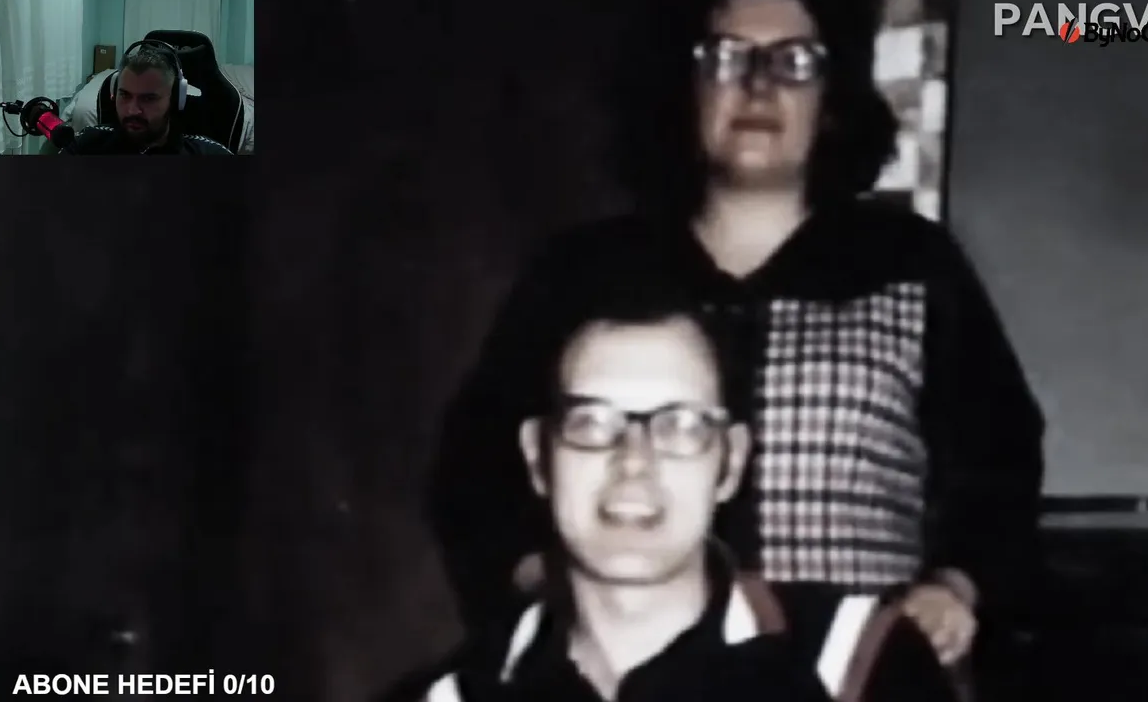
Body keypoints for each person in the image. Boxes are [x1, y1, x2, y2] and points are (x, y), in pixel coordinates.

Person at [428, 0, 1044, 693]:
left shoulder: (911, 265)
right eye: (727, 58)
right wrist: (555, 593)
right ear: (684, 87)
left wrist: (956, 587)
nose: (758, 85)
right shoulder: (587, 273)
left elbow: (1000, 460)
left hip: (850, 677)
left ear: (833, 98)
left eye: (794, 63)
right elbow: (479, 466)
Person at [404, 287, 956, 702]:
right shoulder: (457, 696)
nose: (634, 461)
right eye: (592, 422)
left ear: (730, 462)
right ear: (538, 458)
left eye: (681, 426)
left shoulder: (861, 663)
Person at [60, 45, 231, 155]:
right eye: (125, 95)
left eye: (149, 98)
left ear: (174, 99)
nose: (132, 110)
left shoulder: (209, 154)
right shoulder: (87, 144)